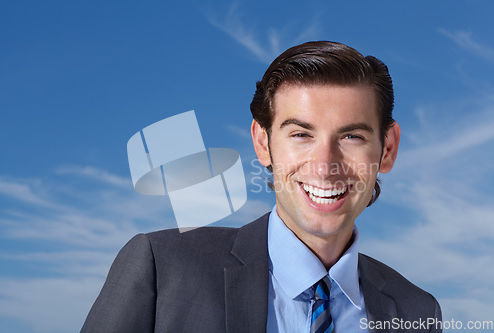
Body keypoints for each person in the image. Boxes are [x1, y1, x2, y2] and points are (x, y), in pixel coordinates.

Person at [81, 41, 442, 333]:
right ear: (262, 143)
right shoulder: (163, 269)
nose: (324, 164)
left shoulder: (417, 310)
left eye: (351, 136)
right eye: (301, 134)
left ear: (388, 149)